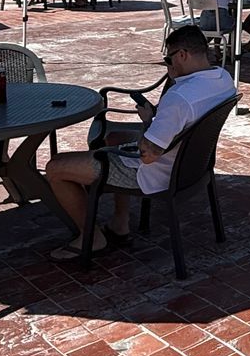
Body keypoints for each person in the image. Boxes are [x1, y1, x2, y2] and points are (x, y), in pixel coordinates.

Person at [43, 24, 239, 259]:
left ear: (183, 55)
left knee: (55, 168)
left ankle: (91, 237)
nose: (169, 66)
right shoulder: (224, 78)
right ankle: (119, 223)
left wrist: (148, 121)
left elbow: (147, 155)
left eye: (169, 59)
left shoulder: (179, 97)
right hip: (192, 167)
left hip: (156, 173)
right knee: (114, 137)